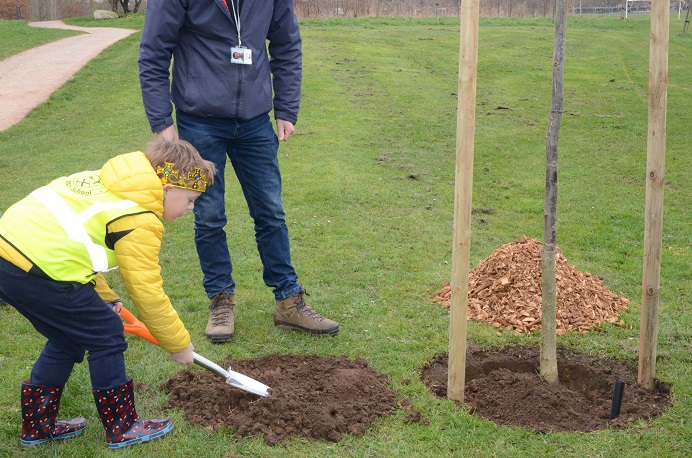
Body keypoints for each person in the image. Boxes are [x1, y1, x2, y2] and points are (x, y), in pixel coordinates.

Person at [138, 0, 339, 343]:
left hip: (256, 122)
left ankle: (289, 302)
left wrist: (286, 108)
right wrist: (162, 121)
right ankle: (221, 300)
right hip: (198, 122)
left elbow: (287, 44)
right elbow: (154, 52)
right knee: (209, 215)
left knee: (270, 212)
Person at [0, 140, 215, 449]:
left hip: (11, 256)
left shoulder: (113, 181)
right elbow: (147, 292)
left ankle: (37, 427)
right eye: (190, 199)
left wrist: (106, 297)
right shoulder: (139, 217)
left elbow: (75, 244)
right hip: (40, 267)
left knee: (67, 337)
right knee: (107, 334)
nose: (191, 209)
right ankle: (123, 427)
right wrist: (178, 344)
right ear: (167, 188)